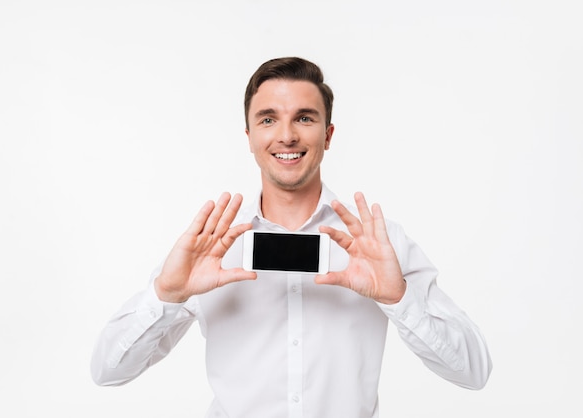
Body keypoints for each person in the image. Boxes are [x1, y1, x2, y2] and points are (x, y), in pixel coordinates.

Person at [91, 56, 492, 417]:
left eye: (304, 117)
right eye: (268, 119)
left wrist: (399, 298)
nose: (286, 136)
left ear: (328, 135)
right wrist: (167, 296)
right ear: (248, 136)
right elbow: (107, 371)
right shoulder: (212, 246)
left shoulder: (378, 245)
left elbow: (474, 372)